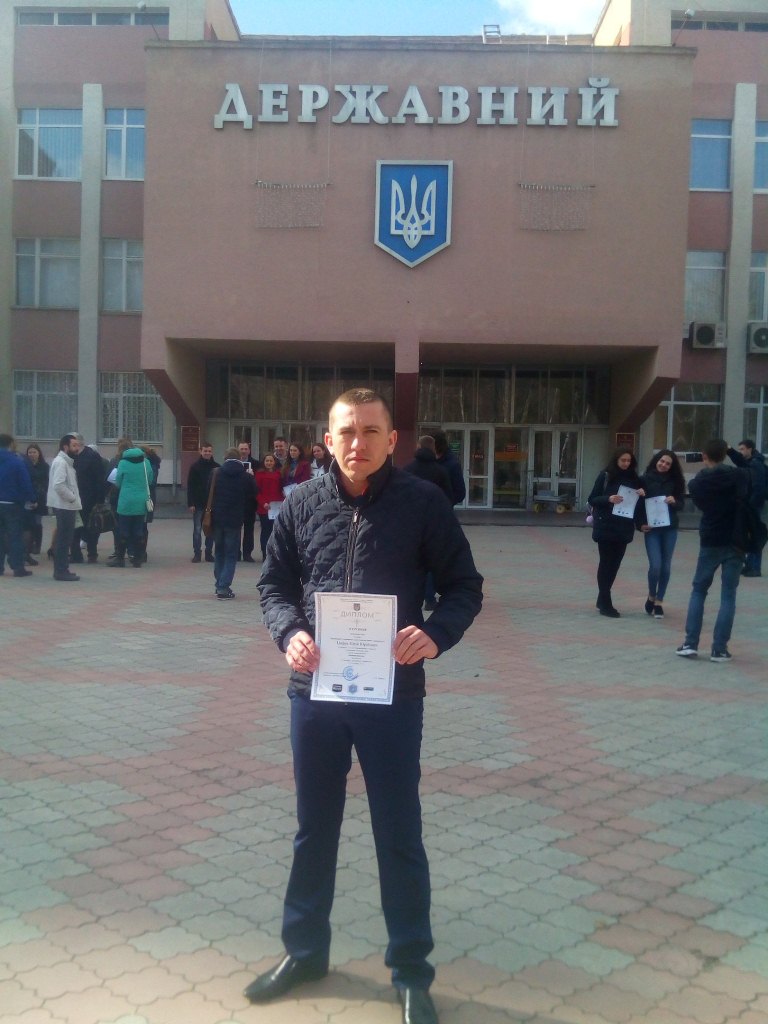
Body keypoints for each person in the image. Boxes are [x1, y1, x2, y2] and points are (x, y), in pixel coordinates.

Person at [252, 388, 483, 1024]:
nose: (359, 443)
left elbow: (464, 586)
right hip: (315, 695)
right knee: (313, 830)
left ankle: (410, 971)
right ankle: (304, 952)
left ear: (392, 439)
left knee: (398, 832)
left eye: (372, 431)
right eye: (347, 432)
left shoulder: (423, 503)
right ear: (328, 440)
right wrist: (290, 633)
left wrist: (434, 634)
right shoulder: (301, 503)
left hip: (392, 697)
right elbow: (273, 586)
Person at [677, 438, 749, 662]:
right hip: (736, 539)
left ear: (704, 456)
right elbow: (751, 471)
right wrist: (733, 453)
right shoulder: (739, 476)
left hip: (711, 538)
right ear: (726, 454)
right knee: (728, 595)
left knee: (699, 590)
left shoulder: (698, 483)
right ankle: (719, 649)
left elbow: (701, 503)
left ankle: (690, 643)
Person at [588, 446, 644, 618]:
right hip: (606, 526)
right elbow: (592, 499)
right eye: (623, 460)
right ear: (616, 460)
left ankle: (602, 599)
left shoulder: (634, 478)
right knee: (606, 563)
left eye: (629, 461)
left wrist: (642, 494)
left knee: (615, 565)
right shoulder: (605, 475)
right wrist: (609, 499)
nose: (626, 463)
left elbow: (638, 504)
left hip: (623, 527)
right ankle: (606, 602)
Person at [637, 449, 686, 618]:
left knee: (666, 566)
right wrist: (640, 524)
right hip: (652, 529)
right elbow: (637, 505)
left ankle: (659, 601)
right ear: (656, 460)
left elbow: (681, 504)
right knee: (655, 566)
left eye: (668, 463)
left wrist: (674, 502)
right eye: (661, 461)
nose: (663, 465)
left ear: (672, 466)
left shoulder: (676, 481)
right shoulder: (643, 479)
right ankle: (651, 595)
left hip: (669, 528)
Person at [210, 447, 256, 599]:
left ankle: (219, 584)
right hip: (235, 519)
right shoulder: (245, 476)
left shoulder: (215, 473)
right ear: (240, 459)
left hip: (217, 518)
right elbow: (253, 494)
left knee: (219, 551)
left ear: (225, 458)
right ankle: (223, 587)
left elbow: (208, 493)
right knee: (231, 554)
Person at [727, 438, 766, 577]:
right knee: (748, 533)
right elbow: (740, 462)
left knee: (755, 534)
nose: (741, 452)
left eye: (742, 449)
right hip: (750, 503)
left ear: (750, 449)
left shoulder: (756, 464)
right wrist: (730, 451)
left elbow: (759, 486)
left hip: (754, 504)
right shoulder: (751, 461)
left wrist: (752, 503)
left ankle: (755, 567)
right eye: (739, 449)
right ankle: (750, 565)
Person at [111, 445, 154, 568]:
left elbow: (118, 482)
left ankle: (120, 559)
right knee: (138, 530)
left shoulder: (123, 463)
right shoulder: (146, 463)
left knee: (123, 530)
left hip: (126, 501)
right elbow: (150, 480)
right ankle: (137, 559)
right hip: (141, 501)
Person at [47, 433, 83, 581]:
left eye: (78, 445)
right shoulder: (61, 462)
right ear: (65, 447)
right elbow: (59, 485)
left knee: (66, 539)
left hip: (66, 506)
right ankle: (61, 571)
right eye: (74, 445)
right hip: (64, 506)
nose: (77, 448)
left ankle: (62, 568)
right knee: (64, 540)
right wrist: (72, 498)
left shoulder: (66, 462)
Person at [0, 433, 36, 578]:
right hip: (12, 504)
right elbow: (25, 482)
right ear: (10, 444)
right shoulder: (16, 461)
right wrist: (32, 499)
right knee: (15, 536)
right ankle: (17, 567)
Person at [70, 434, 108, 564]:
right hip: (76, 498)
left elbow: (99, 479)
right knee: (76, 527)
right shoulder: (73, 457)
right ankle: (76, 554)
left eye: (73, 444)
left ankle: (92, 553)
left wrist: (100, 500)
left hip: (89, 499)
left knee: (91, 527)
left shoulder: (91, 456)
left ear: (79, 444)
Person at [187, 442, 220, 562]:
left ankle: (208, 553)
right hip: (198, 504)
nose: (207, 453)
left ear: (212, 452)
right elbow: (190, 486)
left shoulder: (217, 467)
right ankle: (197, 553)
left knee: (210, 529)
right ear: (200, 451)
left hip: (212, 504)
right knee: (197, 529)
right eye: (205, 451)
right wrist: (191, 503)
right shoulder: (195, 467)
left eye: (209, 451)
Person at [403, 436, 453, 502]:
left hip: (412, 507)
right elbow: (448, 497)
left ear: (418, 447)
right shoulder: (441, 472)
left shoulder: (407, 469)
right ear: (434, 449)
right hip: (434, 507)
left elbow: (402, 495)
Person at [254, 453, 284, 559]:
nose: (269, 463)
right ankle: (265, 553)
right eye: (267, 461)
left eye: (271, 461)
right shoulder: (259, 474)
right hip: (265, 507)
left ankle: (275, 554)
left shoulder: (279, 474)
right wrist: (263, 503)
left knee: (276, 531)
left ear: (274, 462)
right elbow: (256, 491)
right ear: (264, 462)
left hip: (277, 506)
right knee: (266, 531)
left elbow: (282, 488)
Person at [23, 443, 49, 559]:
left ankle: (37, 545)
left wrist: (38, 497)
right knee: (29, 523)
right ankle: (29, 545)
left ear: (39, 453)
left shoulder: (44, 466)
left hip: (40, 498)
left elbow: (46, 483)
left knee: (37, 522)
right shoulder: (24, 465)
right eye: (30, 452)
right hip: (28, 498)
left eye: (34, 452)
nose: (32, 454)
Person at [237, 441, 259, 562]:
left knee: (249, 529)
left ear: (249, 451)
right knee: (236, 529)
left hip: (250, 501)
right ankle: (236, 553)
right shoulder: (234, 463)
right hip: (237, 502)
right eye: (241, 449)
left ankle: (247, 553)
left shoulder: (256, 464)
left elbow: (259, 483)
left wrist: (252, 476)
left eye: (246, 449)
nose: (243, 451)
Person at [432, 430, 466, 507]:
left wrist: (444, 503)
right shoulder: (427, 461)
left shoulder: (452, 465)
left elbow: (460, 493)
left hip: (443, 509)